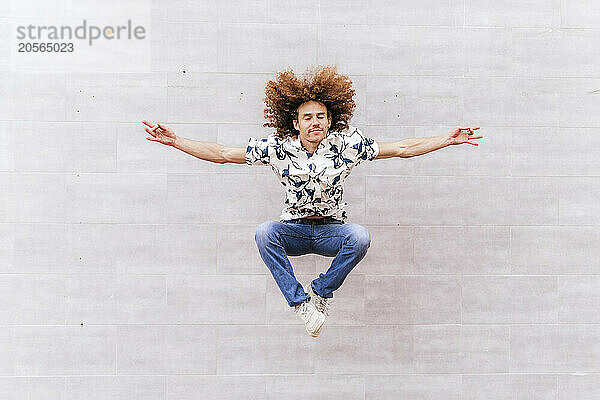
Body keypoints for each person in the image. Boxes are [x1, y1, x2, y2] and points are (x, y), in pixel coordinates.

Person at [142, 65, 482, 338]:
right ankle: (301, 303)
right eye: (307, 117)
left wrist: (446, 140)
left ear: (330, 120)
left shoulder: (347, 145)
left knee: (360, 236)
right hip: (293, 230)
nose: (315, 122)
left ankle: (320, 293)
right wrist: (176, 142)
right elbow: (221, 154)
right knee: (264, 233)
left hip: (331, 231)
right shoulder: (277, 147)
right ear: (295, 123)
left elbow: (402, 149)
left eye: (321, 116)